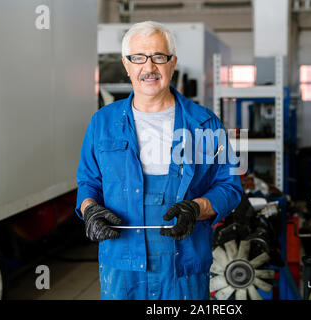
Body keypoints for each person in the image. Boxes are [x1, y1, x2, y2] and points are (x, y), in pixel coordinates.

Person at [75, 21, 242, 300]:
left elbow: (229, 186)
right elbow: (88, 182)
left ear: (172, 63)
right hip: (121, 267)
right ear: (126, 65)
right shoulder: (102, 122)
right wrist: (89, 209)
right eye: (138, 58)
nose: (149, 67)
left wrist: (197, 208)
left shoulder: (204, 123)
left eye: (159, 57)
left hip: (183, 267)